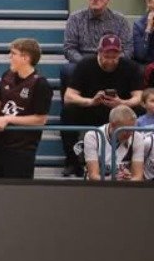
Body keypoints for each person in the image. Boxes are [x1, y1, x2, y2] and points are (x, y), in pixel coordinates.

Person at [60, 34, 143, 178]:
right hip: (92, 108)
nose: (110, 60)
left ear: (120, 53)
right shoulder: (85, 65)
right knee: (68, 112)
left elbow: (139, 97)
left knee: (140, 110)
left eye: (114, 56)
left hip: (119, 112)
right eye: (107, 56)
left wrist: (121, 103)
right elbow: (68, 96)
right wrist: (90, 101)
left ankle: (136, 161)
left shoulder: (131, 67)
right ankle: (73, 161)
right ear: (99, 52)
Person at [0, 37, 52, 179]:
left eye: (13, 53)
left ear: (25, 58)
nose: (10, 56)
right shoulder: (7, 75)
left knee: (17, 190)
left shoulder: (40, 84)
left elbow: (41, 120)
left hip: (22, 149)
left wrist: (8, 119)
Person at [62, 0, 133, 88]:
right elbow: (69, 49)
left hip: (112, 61)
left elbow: (128, 49)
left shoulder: (120, 20)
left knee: (133, 69)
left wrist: (111, 61)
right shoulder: (75, 18)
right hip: (84, 61)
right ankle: (71, 98)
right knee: (67, 70)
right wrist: (87, 63)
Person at [80, 105, 138, 181]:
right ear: (113, 125)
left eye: (132, 129)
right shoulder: (93, 136)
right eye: (126, 130)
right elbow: (93, 176)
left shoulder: (136, 136)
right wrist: (112, 179)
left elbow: (138, 177)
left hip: (125, 185)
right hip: (97, 185)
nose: (130, 134)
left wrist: (129, 179)